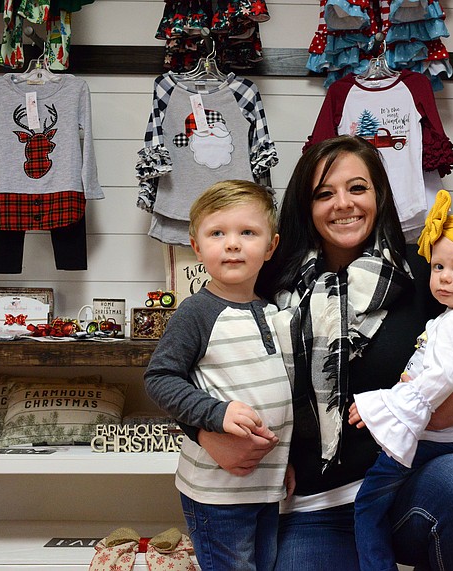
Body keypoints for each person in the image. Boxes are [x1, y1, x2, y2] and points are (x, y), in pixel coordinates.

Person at [189, 136, 453, 571]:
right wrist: (202, 432)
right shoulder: (268, 280)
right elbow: (189, 367)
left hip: (410, 484)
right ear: (305, 204)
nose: (343, 204)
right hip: (315, 502)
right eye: (324, 193)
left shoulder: (424, 270)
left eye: (357, 188)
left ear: (379, 195)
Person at [348, 188, 453, 571]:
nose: (443, 280)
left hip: (432, 439)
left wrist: (384, 405)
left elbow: (439, 378)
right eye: (438, 267)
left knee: (368, 503)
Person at [144, 180, 294, 571]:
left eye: (247, 232)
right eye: (217, 233)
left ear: (271, 246)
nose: (232, 244)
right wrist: (216, 414)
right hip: (217, 493)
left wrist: (287, 461)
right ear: (197, 247)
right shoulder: (196, 312)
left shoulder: (275, 310)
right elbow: (160, 378)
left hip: (267, 487)